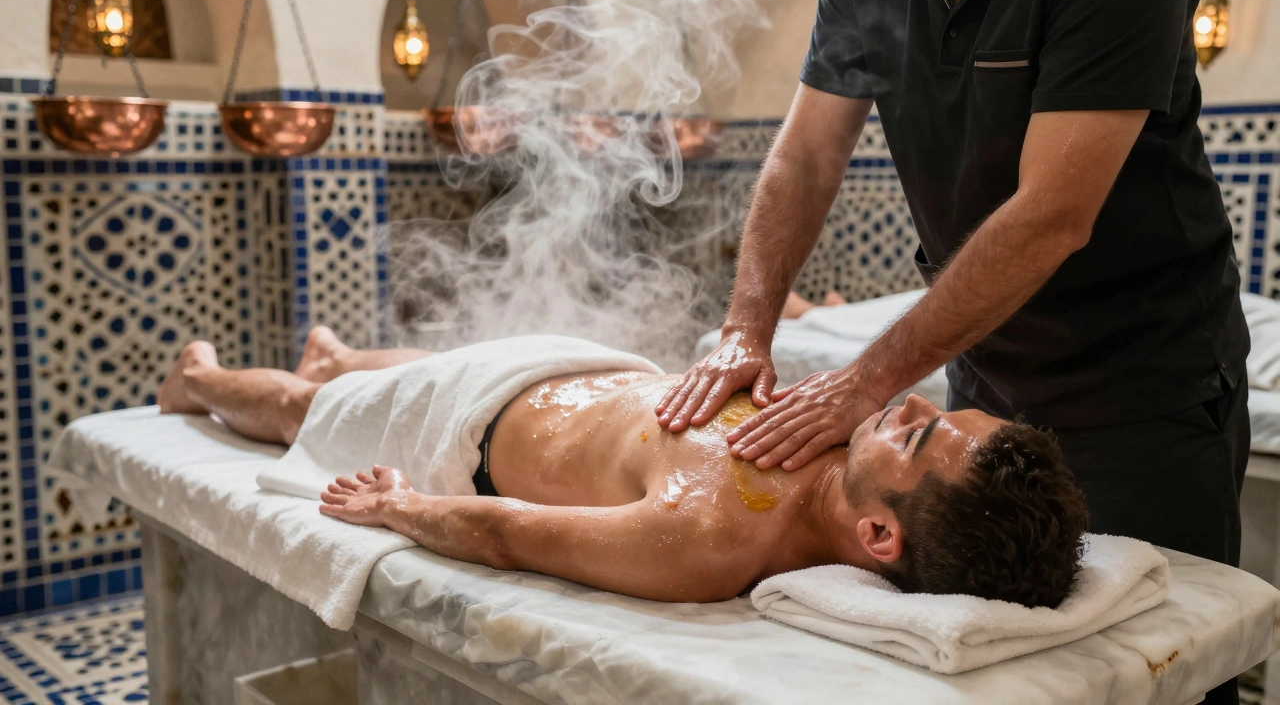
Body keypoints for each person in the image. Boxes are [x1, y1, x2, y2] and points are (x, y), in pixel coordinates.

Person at [657, 0, 1247, 698]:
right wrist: (744, 331)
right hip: (985, 371)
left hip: (1141, 383)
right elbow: (809, 154)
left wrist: (866, 381)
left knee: (1155, 668)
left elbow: (1052, 215)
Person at [156, 327, 1088, 606]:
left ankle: (196, 380)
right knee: (387, 366)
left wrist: (404, 507)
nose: (913, 403)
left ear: (879, 536)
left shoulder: (709, 535)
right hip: (574, 363)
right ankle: (344, 358)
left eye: (918, 437)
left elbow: (510, 535)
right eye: (941, 408)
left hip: (470, 423)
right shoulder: (844, 445)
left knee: (295, 412)